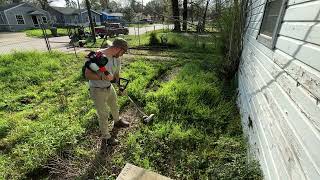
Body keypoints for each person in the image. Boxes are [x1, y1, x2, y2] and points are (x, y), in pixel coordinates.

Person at [85, 38, 130, 150]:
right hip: (97, 89)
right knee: (103, 114)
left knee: (114, 105)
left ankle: (117, 121)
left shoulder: (117, 58)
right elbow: (87, 75)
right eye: (123, 52)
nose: (122, 55)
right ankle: (106, 137)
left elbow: (117, 74)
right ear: (117, 49)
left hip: (109, 87)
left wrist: (120, 86)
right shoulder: (98, 56)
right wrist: (102, 76)